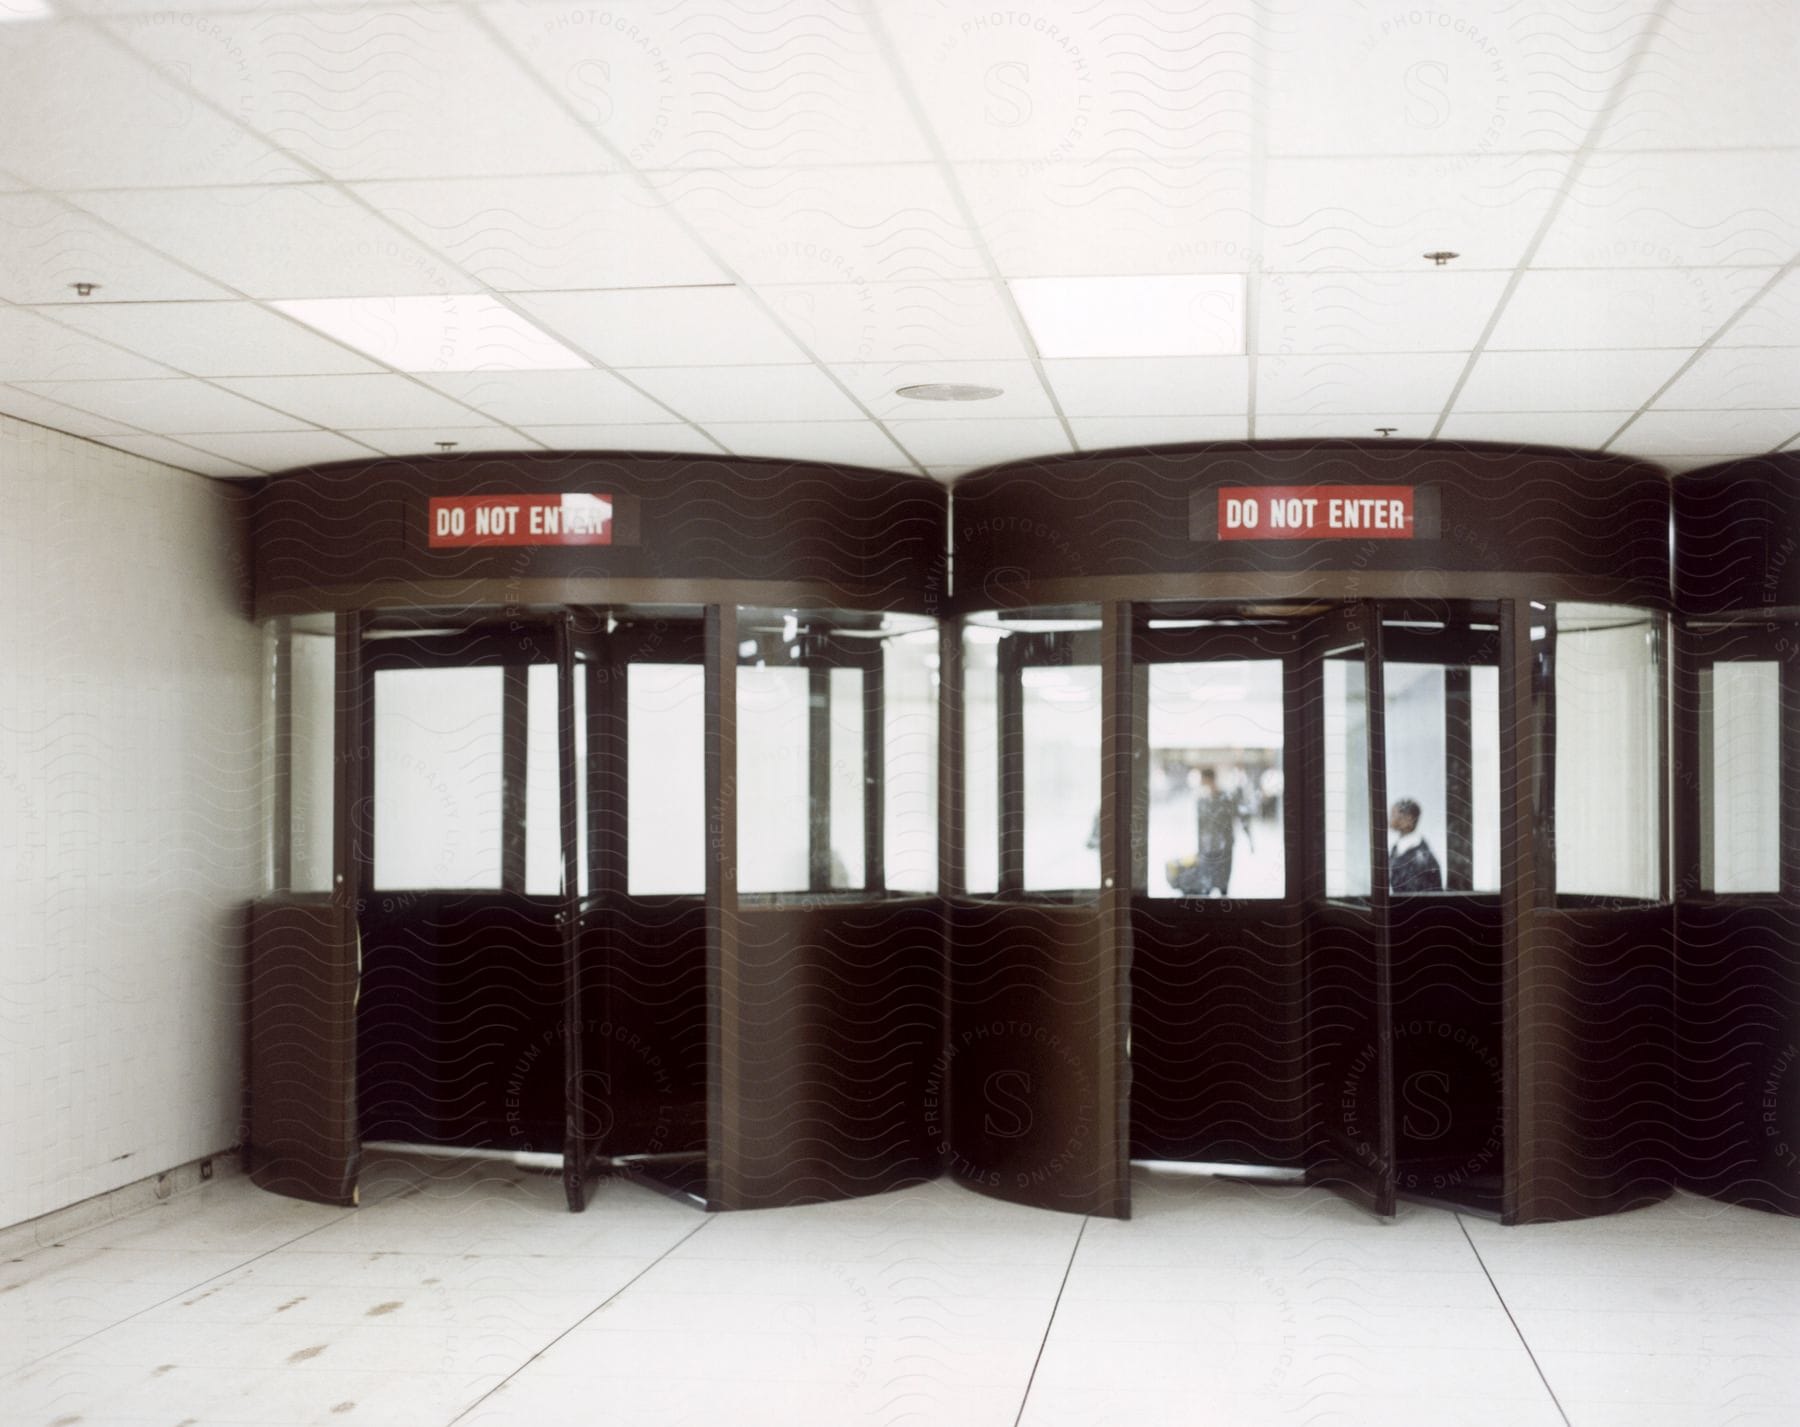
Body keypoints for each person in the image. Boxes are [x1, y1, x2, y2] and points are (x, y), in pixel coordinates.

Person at [1192, 766, 1251, 896]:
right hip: (1208, 848)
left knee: (1223, 885)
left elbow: (1241, 817)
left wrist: (1250, 840)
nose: (1201, 784)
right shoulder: (1202, 801)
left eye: (1202, 780)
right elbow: (1200, 827)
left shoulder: (1227, 798)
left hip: (1224, 847)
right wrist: (1199, 849)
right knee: (1207, 886)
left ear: (1208, 779)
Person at [1388, 798, 1443, 893]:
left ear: (1409, 819)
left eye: (1393, 815)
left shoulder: (1421, 856)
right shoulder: (1397, 848)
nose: (1390, 819)